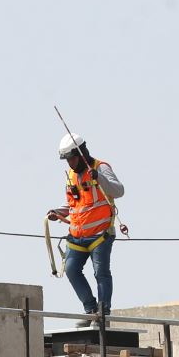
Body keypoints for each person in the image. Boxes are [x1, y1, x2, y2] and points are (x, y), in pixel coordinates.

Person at [47, 134, 125, 323]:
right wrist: (58, 212)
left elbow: (119, 191)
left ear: (82, 154)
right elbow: (74, 205)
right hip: (77, 236)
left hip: (100, 235)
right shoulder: (72, 176)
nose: (70, 164)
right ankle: (90, 310)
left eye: (72, 159)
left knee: (101, 272)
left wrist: (100, 179)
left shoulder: (101, 168)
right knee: (72, 270)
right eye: (67, 160)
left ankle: (103, 312)